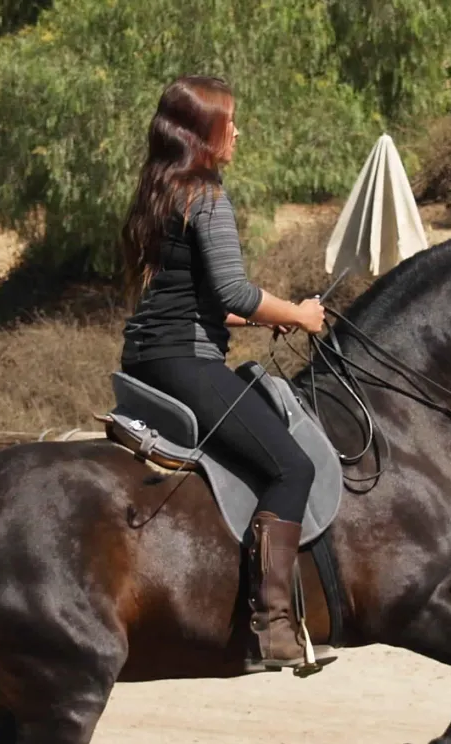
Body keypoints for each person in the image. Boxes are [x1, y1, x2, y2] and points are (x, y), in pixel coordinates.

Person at [120, 75, 326, 670]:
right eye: (228, 122)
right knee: (293, 466)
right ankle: (274, 625)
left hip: (147, 358)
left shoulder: (159, 190)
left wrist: (265, 318)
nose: (238, 131)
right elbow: (234, 287)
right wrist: (302, 314)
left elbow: (204, 296)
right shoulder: (205, 194)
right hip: (185, 360)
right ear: (202, 134)